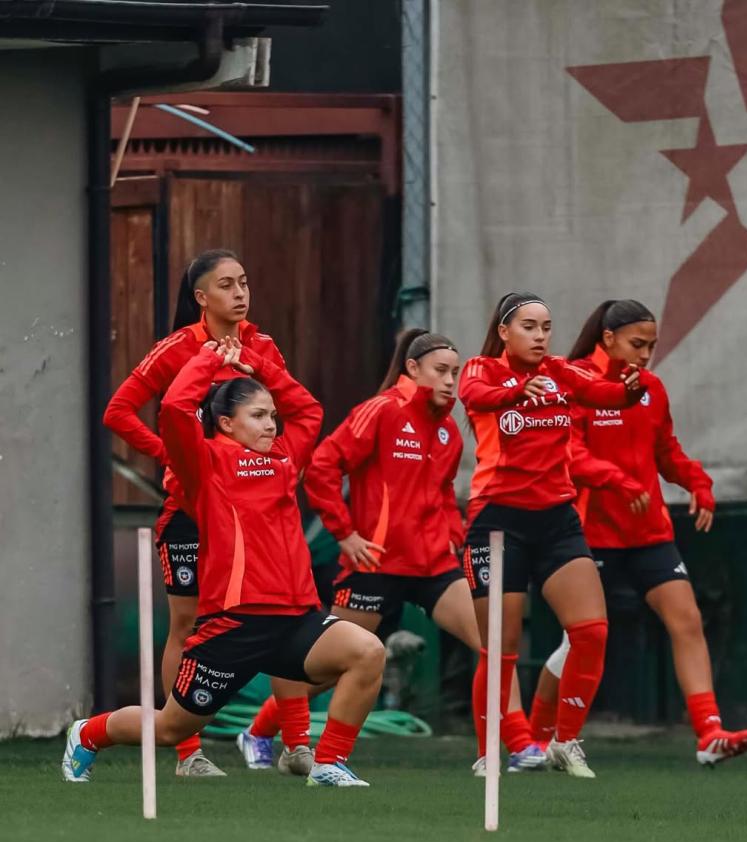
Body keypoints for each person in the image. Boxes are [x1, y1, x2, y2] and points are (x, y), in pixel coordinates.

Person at [64, 338, 384, 787]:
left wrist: (257, 365)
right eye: (258, 416)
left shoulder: (286, 460)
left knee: (368, 652)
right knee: (173, 726)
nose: (271, 424)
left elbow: (308, 410)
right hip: (232, 626)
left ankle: (329, 762)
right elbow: (175, 408)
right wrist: (208, 358)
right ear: (226, 423)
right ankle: (88, 733)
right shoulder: (204, 463)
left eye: (273, 415)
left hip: (294, 619)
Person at [300, 328, 546, 773]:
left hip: (433, 565)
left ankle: (520, 744)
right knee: (331, 665)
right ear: (413, 369)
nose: (451, 381)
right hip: (374, 562)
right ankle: (260, 732)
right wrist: (346, 535)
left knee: (493, 640)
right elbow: (321, 468)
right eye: (441, 371)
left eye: (455, 372)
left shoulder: (450, 431)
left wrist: (456, 532)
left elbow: (441, 492)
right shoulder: (379, 412)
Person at [104, 248, 311, 777]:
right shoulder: (177, 348)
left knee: (281, 617)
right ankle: (186, 752)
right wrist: (171, 455)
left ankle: (295, 743)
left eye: (244, 282)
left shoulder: (262, 346)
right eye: (226, 285)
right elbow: (118, 411)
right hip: (194, 507)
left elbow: (287, 412)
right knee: (188, 622)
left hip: (252, 506)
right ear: (201, 297)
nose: (240, 293)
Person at [529, 300, 747, 766]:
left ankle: (708, 734)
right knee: (577, 642)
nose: (646, 355)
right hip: (589, 534)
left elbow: (666, 451)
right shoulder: (573, 382)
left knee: (687, 620)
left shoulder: (651, 388)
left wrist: (698, 481)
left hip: (648, 531)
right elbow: (567, 454)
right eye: (638, 344)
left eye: (652, 346)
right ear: (608, 338)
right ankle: (535, 740)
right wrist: (617, 479)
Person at [459, 291, 658, 778]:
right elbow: (474, 398)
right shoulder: (481, 369)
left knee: (591, 632)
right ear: (505, 331)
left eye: (546, 327)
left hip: (556, 519)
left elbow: (606, 394)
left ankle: (565, 740)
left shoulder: (561, 373)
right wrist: (513, 393)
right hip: (498, 521)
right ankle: (490, 750)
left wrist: (630, 390)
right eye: (529, 326)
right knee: (501, 648)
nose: (541, 335)